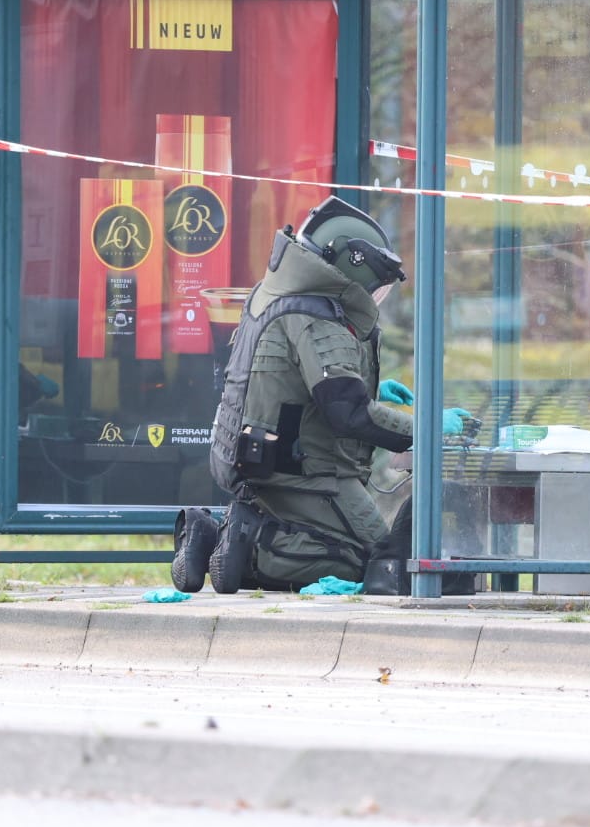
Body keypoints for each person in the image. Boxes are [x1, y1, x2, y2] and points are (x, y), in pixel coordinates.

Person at [171, 196, 471, 594]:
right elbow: (348, 412)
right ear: (351, 264)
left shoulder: (277, 293)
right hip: (308, 473)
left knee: (366, 555)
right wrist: (427, 427)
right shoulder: (316, 314)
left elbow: (287, 380)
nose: (375, 294)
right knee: (378, 563)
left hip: (271, 461)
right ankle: (242, 542)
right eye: (375, 284)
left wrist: (374, 388)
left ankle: (221, 538)